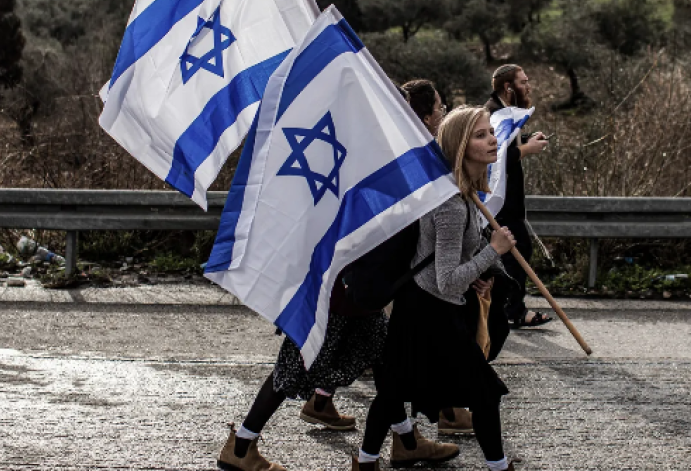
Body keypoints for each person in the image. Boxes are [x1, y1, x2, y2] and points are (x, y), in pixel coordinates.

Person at [216, 84, 456, 471]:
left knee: (382, 361)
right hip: (339, 287)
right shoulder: (379, 157)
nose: (441, 115)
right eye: (439, 108)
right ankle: (241, 447)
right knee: (295, 365)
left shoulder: (393, 156)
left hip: (360, 288)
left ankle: (407, 441)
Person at [352, 106, 519, 471]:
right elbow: (446, 280)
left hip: (428, 306)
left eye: (490, 132)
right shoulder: (450, 204)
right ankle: (499, 466)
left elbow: (453, 265)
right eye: (480, 134)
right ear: (460, 145)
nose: (492, 139)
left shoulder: (464, 195)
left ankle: (365, 463)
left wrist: (483, 267)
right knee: (484, 393)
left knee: (395, 389)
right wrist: (494, 250)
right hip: (428, 310)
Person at [401, 79, 479, 436]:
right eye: (439, 107)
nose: (442, 112)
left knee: (398, 374)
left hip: (423, 283)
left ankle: (425, 426)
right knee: (392, 375)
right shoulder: (416, 158)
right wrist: (493, 252)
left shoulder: (433, 163)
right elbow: (445, 272)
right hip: (413, 282)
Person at [484, 64, 552, 331]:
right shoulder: (493, 113)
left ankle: (508, 308)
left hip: (509, 201)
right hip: (501, 201)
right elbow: (497, 157)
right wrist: (526, 149)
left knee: (517, 251)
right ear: (508, 87)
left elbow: (506, 145)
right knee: (517, 250)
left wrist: (525, 139)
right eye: (523, 82)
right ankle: (512, 311)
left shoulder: (503, 111)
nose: (529, 86)